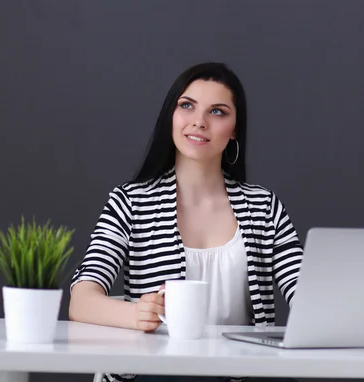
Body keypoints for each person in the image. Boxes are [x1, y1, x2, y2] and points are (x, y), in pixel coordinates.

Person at [68, 62, 304, 382]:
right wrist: (136, 314)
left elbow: (307, 298)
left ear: (235, 128)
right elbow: (81, 300)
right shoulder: (131, 201)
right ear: (172, 115)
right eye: (187, 106)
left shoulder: (263, 207)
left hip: (234, 376)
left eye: (217, 112)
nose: (199, 122)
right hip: (149, 376)